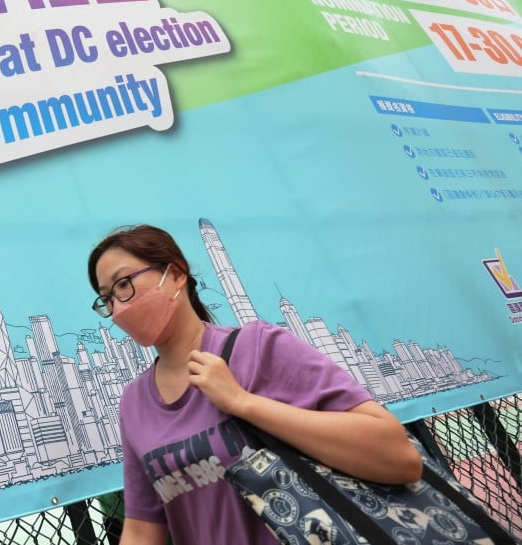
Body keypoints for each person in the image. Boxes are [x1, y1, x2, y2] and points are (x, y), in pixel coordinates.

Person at [87, 224, 423, 544]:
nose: (118, 307)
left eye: (123, 285)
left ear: (175, 274)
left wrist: (242, 402)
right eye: (107, 299)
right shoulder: (134, 403)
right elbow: (143, 528)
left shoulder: (258, 346)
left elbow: (399, 457)